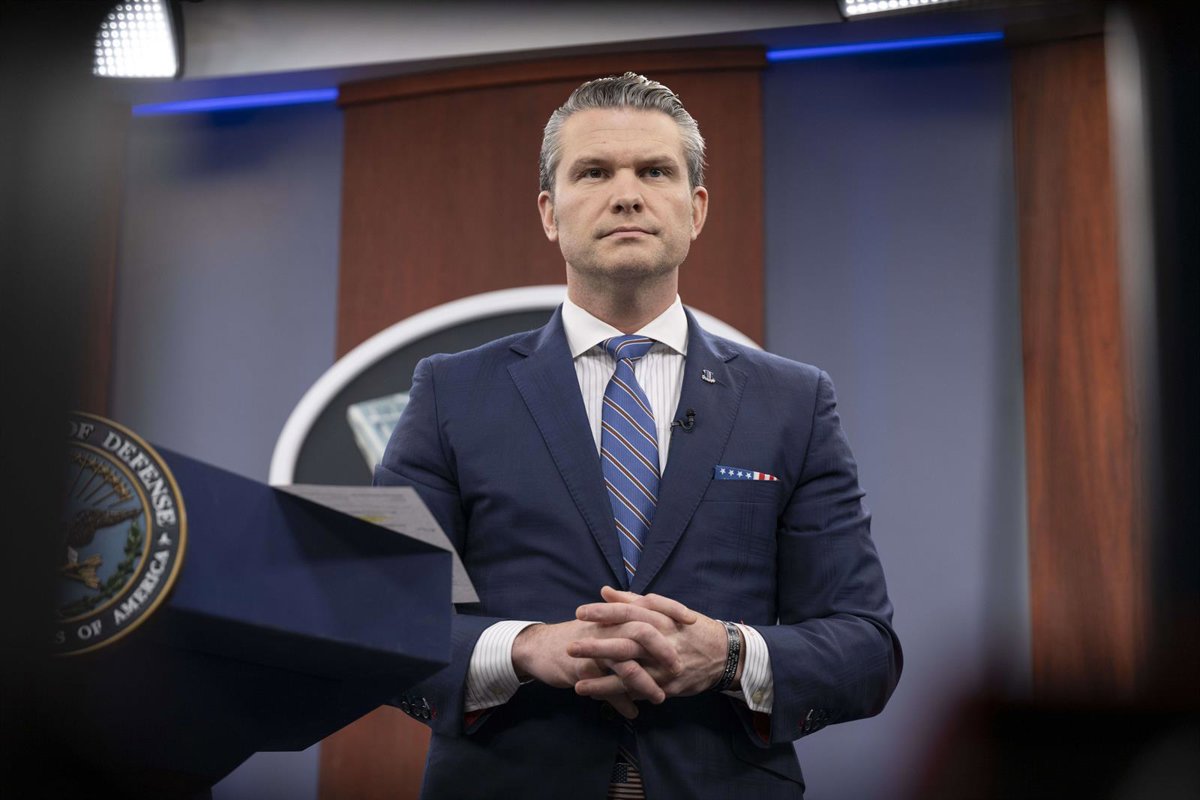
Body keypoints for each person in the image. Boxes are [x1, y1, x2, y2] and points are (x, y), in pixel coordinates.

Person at [376, 72, 901, 799]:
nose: (626, 194)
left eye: (654, 171)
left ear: (697, 208)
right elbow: (377, 619)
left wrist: (728, 655)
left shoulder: (794, 402)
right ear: (549, 212)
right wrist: (526, 648)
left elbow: (866, 646)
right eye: (593, 172)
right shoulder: (449, 392)